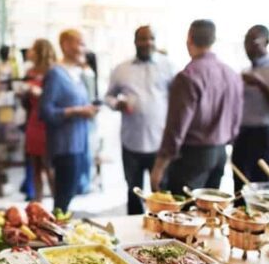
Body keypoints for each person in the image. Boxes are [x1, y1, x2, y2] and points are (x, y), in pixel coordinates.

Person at [151, 20, 243, 193]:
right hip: (219, 153)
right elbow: (236, 119)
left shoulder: (188, 76)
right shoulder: (231, 74)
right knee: (207, 213)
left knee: (183, 213)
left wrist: (159, 165)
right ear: (213, 40)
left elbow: (176, 127)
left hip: (192, 155)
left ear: (189, 39)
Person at [106, 26, 175, 214]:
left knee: (161, 193)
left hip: (159, 144)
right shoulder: (121, 69)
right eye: (143, 39)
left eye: (151, 38)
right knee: (133, 191)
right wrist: (116, 103)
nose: (147, 43)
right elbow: (108, 97)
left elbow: (178, 100)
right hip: (132, 143)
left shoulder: (169, 66)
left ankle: (160, 235)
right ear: (135, 41)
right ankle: (134, 236)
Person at [40, 29, 98, 212]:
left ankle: (59, 231)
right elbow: (45, 112)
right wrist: (76, 111)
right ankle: (55, 235)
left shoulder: (77, 73)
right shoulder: (56, 74)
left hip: (79, 143)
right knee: (63, 196)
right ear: (65, 45)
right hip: (64, 146)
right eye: (79, 43)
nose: (84, 48)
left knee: (71, 192)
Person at [232, 25, 269, 192]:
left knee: (259, 182)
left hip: (262, 133)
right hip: (242, 133)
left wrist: (259, 83)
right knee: (240, 180)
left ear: (266, 41)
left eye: (253, 40)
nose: (248, 45)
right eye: (246, 40)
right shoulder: (245, 70)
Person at [24, 39, 57, 201]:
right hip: (33, 121)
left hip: (47, 124)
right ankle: (37, 201)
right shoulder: (30, 71)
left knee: (49, 165)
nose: (29, 52)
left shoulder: (53, 71)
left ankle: (59, 202)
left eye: (32, 49)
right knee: (35, 165)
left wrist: (40, 93)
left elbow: (56, 97)